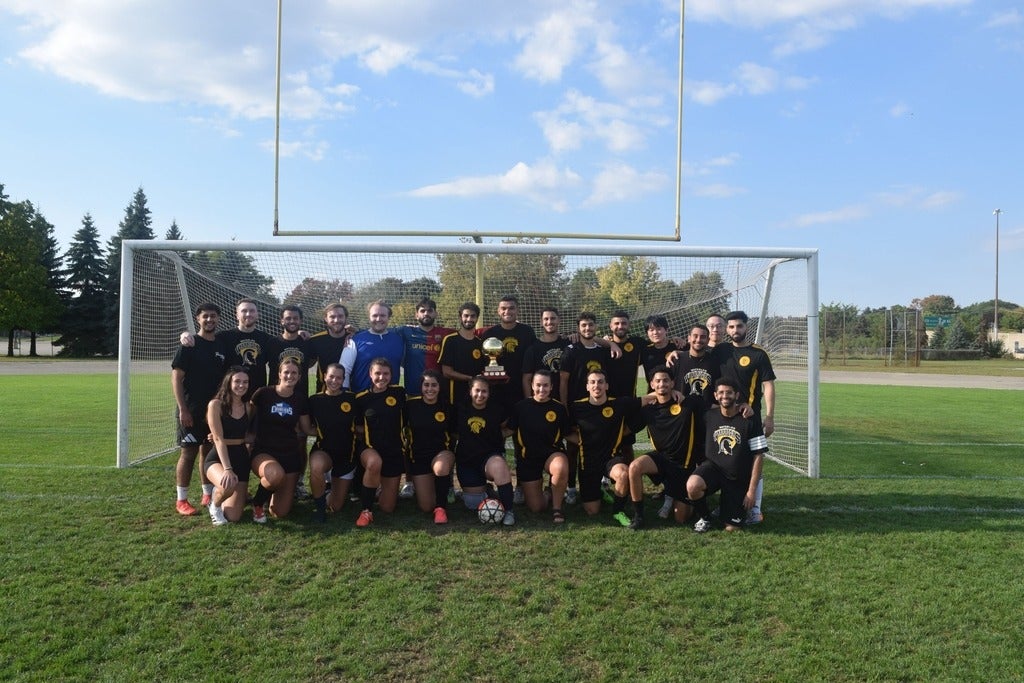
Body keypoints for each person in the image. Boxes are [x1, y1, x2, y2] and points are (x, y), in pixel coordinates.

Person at [686, 377, 769, 532]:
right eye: (721, 392)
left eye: (729, 393)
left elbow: (758, 456)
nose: (725, 396)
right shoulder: (708, 416)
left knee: (732, 528)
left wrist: (751, 491)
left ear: (737, 395)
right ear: (715, 395)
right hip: (713, 469)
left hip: (737, 477)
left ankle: (730, 507)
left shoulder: (750, 420)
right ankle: (705, 518)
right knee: (692, 485)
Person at [566, 369, 647, 522]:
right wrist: (582, 441)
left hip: (611, 458)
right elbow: (565, 431)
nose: (596, 385)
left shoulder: (618, 404)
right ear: (587, 386)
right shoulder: (577, 407)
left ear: (607, 386)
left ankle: (618, 511)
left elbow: (647, 400)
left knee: (623, 473)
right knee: (592, 511)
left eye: (600, 382)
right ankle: (599, 491)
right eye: (592, 382)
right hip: (587, 463)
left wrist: (673, 393)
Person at [718, 310, 776, 524]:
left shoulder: (758, 353)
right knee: (728, 459)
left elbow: (768, 385)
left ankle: (755, 508)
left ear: (746, 327)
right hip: (726, 416)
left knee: (754, 459)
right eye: (731, 327)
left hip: (750, 416)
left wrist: (769, 417)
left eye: (739, 326)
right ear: (727, 329)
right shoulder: (721, 350)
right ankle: (727, 503)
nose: (735, 330)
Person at [625, 366, 701, 530]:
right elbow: (626, 429)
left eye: (666, 380)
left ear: (673, 383)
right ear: (652, 384)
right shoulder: (648, 410)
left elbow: (714, 408)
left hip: (683, 466)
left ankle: (691, 500)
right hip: (661, 459)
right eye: (658, 381)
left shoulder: (688, 403)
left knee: (680, 518)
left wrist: (741, 408)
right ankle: (639, 516)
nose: (662, 384)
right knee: (634, 467)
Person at [170, 302, 225, 515]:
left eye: (213, 316)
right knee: (188, 453)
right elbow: (176, 378)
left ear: (218, 318)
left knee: (207, 451)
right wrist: (183, 409)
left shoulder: (221, 345)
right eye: (205, 316)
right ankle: (181, 500)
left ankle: (207, 494)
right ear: (198, 319)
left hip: (212, 411)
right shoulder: (189, 345)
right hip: (190, 410)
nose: (209, 319)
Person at [559, 312, 617, 505]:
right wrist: (565, 407)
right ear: (578, 328)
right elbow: (563, 381)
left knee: (598, 446)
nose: (587, 328)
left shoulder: (601, 351)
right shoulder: (571, 350)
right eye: (583, 325)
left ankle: (600, 483)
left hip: (598, 408)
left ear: (596, 327)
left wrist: (612, 344)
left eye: (590, 325)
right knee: (573, 448)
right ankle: (571, 488)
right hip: (576, 408)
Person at [249, 358, 313, 522]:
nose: (290, 376)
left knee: (280, 512)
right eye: (286, 372)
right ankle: (258, 503)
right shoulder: (263, 393)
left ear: (299, 377)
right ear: (279, 374)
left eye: (294, 373)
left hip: (289, 455)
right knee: (274, 475)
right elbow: (246, 417)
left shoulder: (300, 399)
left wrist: (335, 431)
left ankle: (271, 490)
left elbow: (307, 429)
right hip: (264, 452)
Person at [507, 370, 570, 523]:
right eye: (538, 385)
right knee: (537, 507)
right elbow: (509, 430)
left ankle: (557, 509)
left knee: (561, 467)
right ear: (532, 385)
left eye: (546, 385)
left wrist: (592, 439)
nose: (542, 389)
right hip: (528, 458)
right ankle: (548, 493)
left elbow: (568, 434)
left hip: (551, 454)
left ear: (552, 387)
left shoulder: (559, 408)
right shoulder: (520, 407)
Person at [453, 376, 516, 524]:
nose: (480, 395)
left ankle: (509, 510)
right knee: (473, 505)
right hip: (467, 461)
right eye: (477, 390)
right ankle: (487, 490)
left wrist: (496, 435)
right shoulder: (460, 409)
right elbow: (453, 433)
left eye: (484, 391)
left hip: (489, 457)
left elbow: (510, 428)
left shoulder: (497, 409)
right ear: (470, 391)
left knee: (499, 466)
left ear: (489, 393)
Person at [353, 357, 407, 527]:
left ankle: (375, 489)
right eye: (377, 373)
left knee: (387, 508)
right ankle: (366, 510)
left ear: (391, 375)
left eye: (386, 374)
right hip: (370, 448)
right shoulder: (361, 398)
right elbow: (357, 427)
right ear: (370, 374)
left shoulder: (399, 393)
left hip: (394, 451)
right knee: (374, 462)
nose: (381, 378)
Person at [306, 363, 359, 522]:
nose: (334, 381)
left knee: (335, 507)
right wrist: (324, 431)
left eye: (339, 378)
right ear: (324, 377)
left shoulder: (352, 399)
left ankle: (329, 490)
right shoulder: (314, 400)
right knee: (317, 466)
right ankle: (320, 509)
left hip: (347, 456)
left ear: (343, 379)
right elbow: (307, 428)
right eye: (331, 376)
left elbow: (361, 426)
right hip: (324, 451)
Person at [404, 369, 457, 524]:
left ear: (440, 387)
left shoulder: (447, 407)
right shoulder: (410, 406)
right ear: (421, 387)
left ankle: (441, 509)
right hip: (418, 458)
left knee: (440, 468)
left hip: (442, 454)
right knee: (426, 506)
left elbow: (455, 434)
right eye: (426, 385)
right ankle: (432, 489)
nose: (430, 389)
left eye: (434, 385)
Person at [204, 367, 253, 525]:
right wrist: (227, 469)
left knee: (233, 516)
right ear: (229, 383)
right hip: (218, 458)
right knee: (228, 485)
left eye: (245, 382)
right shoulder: (215, 405)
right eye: (237, 381)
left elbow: (247, 435)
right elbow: (218, 439)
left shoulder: (248, 406)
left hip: (241, 457)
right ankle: (214, 505)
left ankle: (220, 491)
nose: (241, 385)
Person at [342, 300, 406, 394]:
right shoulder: (355, 340)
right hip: (361, 397)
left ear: (388, 317)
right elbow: (344, 370)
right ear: (369, 317)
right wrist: (344, 394)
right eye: (375, 315)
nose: (378, 319)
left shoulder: (399, 340)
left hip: (392, 398)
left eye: (383, 315)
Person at [396, 297, 455, 399]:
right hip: (413, 392)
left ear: (436, 314)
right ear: (416, 315)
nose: (426, 313)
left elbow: (468, 333)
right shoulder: (406, 331)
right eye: (422, 311)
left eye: (430, 310)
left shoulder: (446, 333)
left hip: (437, 392)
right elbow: (382, 331)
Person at [439, 302, 487, 406]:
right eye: (466, 315)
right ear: (460, 317)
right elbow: (446, 372)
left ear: (477, 318)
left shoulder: (480, 343)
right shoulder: (450, 340)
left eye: (473, 316)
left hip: (476, 398)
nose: (469, 319)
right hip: (455, 398)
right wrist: (471, 379)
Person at [521, 307, 569, 401]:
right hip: (541, 400)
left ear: (559, 320)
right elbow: (527, 379)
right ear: (541, 322)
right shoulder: (533, 349)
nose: (549, 322)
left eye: (553, 318)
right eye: (546, 319)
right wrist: (529, 402)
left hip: (565, 399)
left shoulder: (568, 344)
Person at [640, 314, 678, 392]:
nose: (655, 332)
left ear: (666, 330)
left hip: (676, 393)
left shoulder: (677, 346)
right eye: (651, 330)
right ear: (647, 333)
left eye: (659, 329)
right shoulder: (644, 350)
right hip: (653, 395)